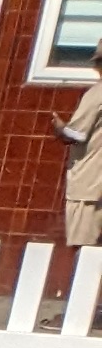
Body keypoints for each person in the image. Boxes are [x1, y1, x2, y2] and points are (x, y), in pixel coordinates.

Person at [67, 67, 102, 249]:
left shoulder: (96, 94)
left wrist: (58, 127)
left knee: (84, 251)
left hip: (89, 187)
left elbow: (75, 134)